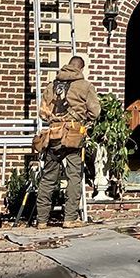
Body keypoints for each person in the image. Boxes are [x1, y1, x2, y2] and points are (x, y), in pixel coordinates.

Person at [34, 55, 101, 228]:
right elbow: (95, 111)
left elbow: (43, 112)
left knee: (48, 177)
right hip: (73, 134)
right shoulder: (85, 86)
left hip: (54, 134)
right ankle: (69, 219)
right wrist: (84, 121)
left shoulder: (51, 85)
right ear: (81, 68)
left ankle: (41, 221)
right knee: (74, 177)